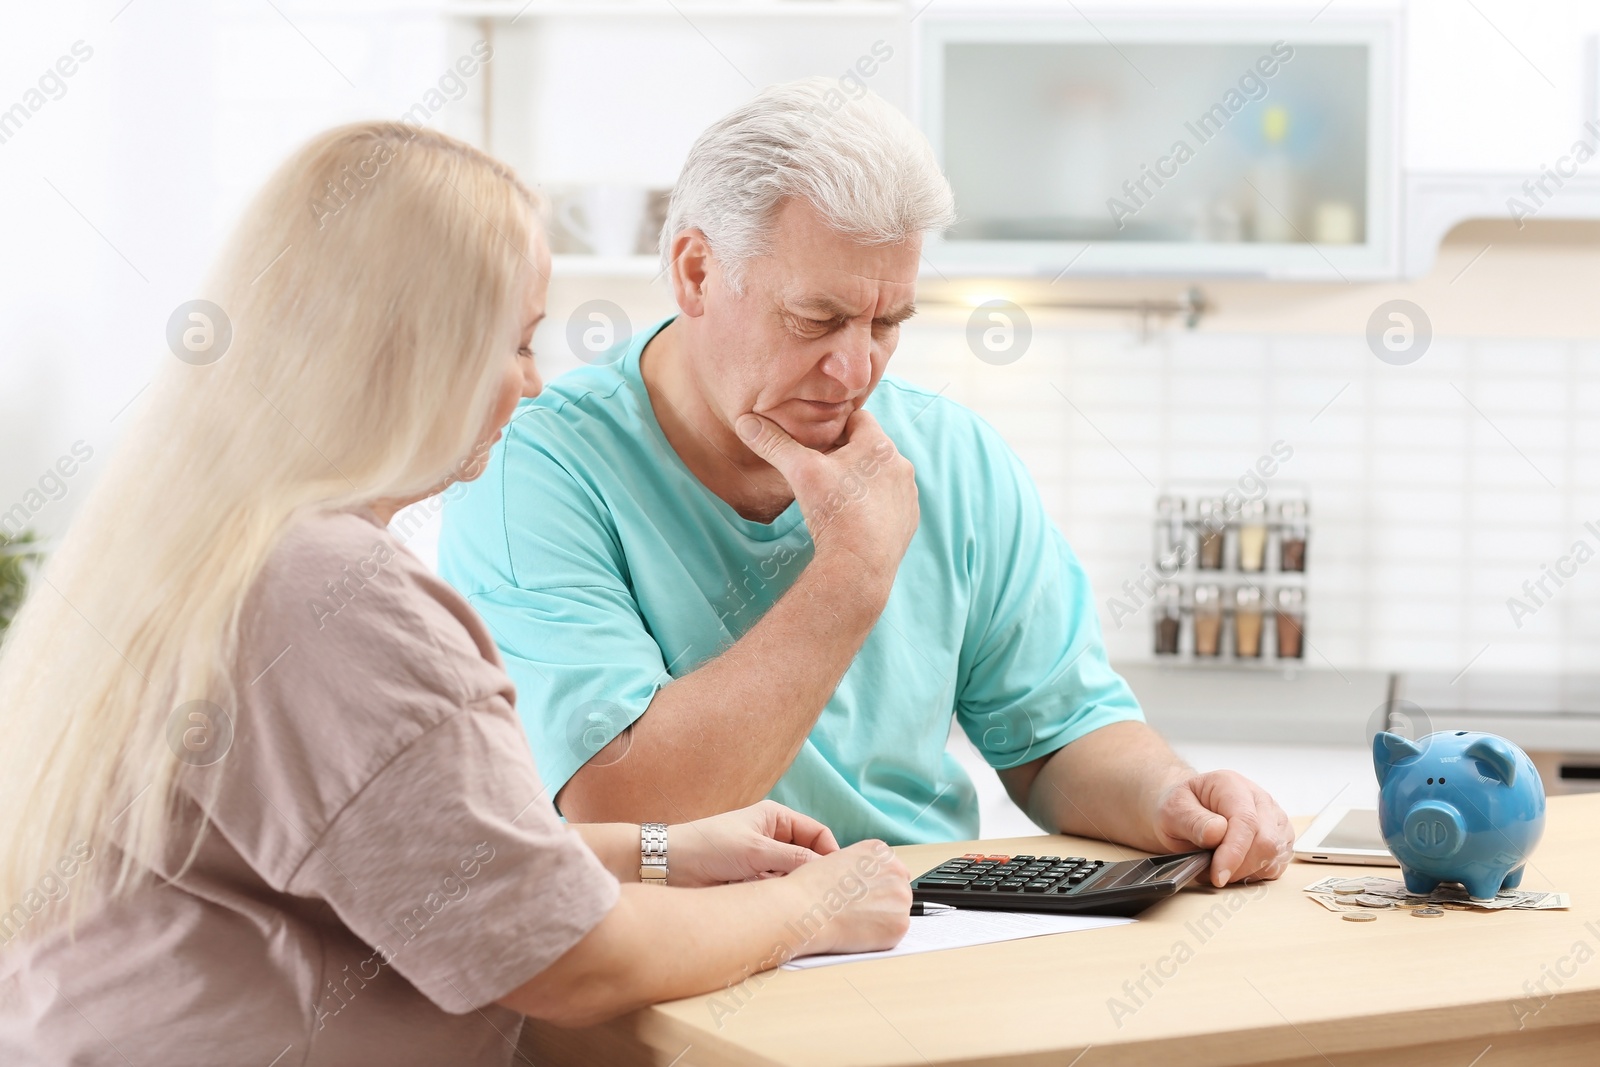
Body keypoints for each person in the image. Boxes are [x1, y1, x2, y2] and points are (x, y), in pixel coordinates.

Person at [0, 122, 912, 1066]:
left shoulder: (194, 539)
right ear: (406, 348)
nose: (532, 381)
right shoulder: (325, 595)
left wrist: (661, 852)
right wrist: (811, 906)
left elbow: (412, 859)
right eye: (515, 341)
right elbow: (565, 959)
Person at [439, 79, 1295, 886]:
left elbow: (1058, 736)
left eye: (888, 322)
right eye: (818, 319)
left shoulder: (951, 453)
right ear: (696, 272)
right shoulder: (534, 467)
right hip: (678, 967)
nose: (856, 368)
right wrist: (854, 570)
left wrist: (1169, 794)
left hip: (923, 929)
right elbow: (629, 811)